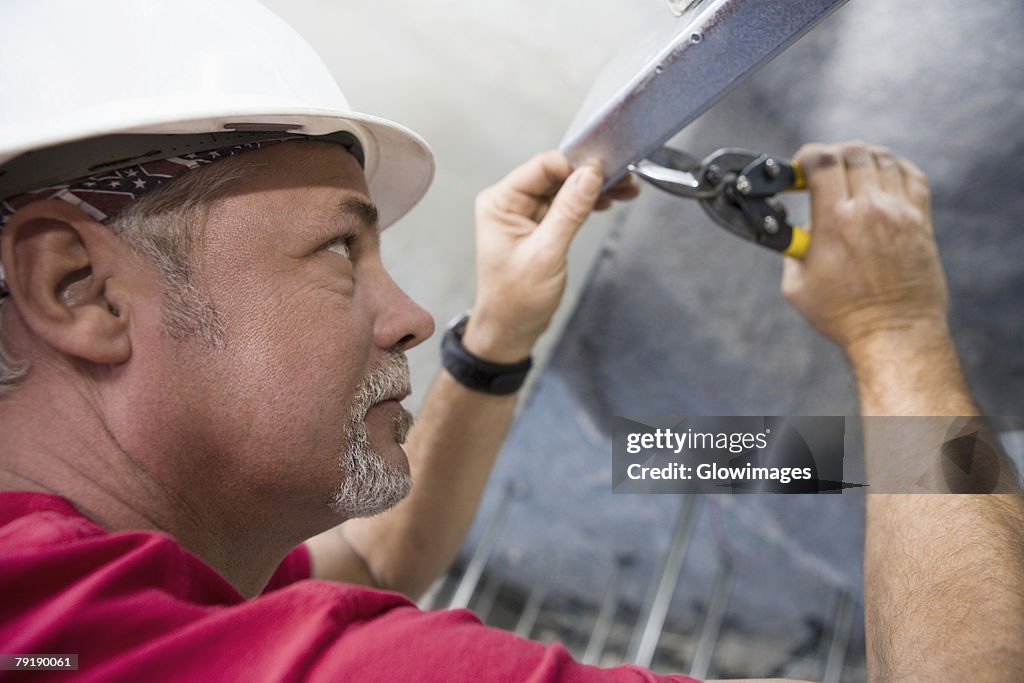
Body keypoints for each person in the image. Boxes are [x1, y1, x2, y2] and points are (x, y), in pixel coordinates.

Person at [0, 3, 1020, 683]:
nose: (406, 313)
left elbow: (375, 552)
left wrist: (497, 333)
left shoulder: (94, 597)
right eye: (338, 249)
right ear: (78, 287)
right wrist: (896, 331)